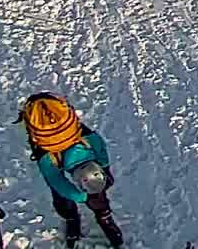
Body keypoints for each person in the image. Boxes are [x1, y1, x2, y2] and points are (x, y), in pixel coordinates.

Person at [21, 92, 126, 245]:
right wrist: (102, 171)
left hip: (53, 145)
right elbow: (99, 147)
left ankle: (73, 216)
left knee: (66, 192)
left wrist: (102, 172)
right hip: (64, 142)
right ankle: (100, 216)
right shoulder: (85, 139)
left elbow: (56, 181)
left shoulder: (47, 157)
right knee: (90, 186)